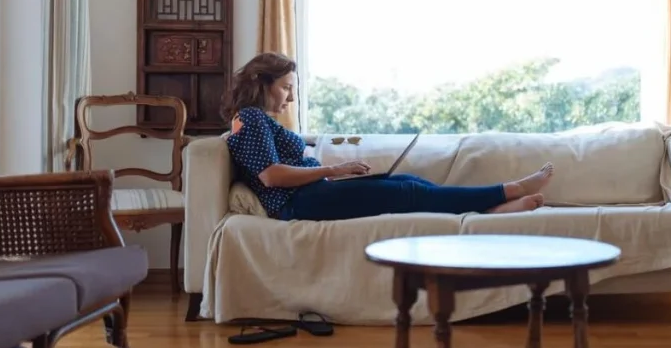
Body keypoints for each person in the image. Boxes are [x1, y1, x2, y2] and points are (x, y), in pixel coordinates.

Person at [221, 52, 555, 222]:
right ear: (262, 83)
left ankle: (489, 212)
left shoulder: (255, 120)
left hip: (311, 194)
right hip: (297, 204)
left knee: (409, 181)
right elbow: (271, 176)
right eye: (285, 88)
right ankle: (508, 190)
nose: (289, 98)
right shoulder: (249, 118)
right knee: (408, 190)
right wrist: (333, 171)